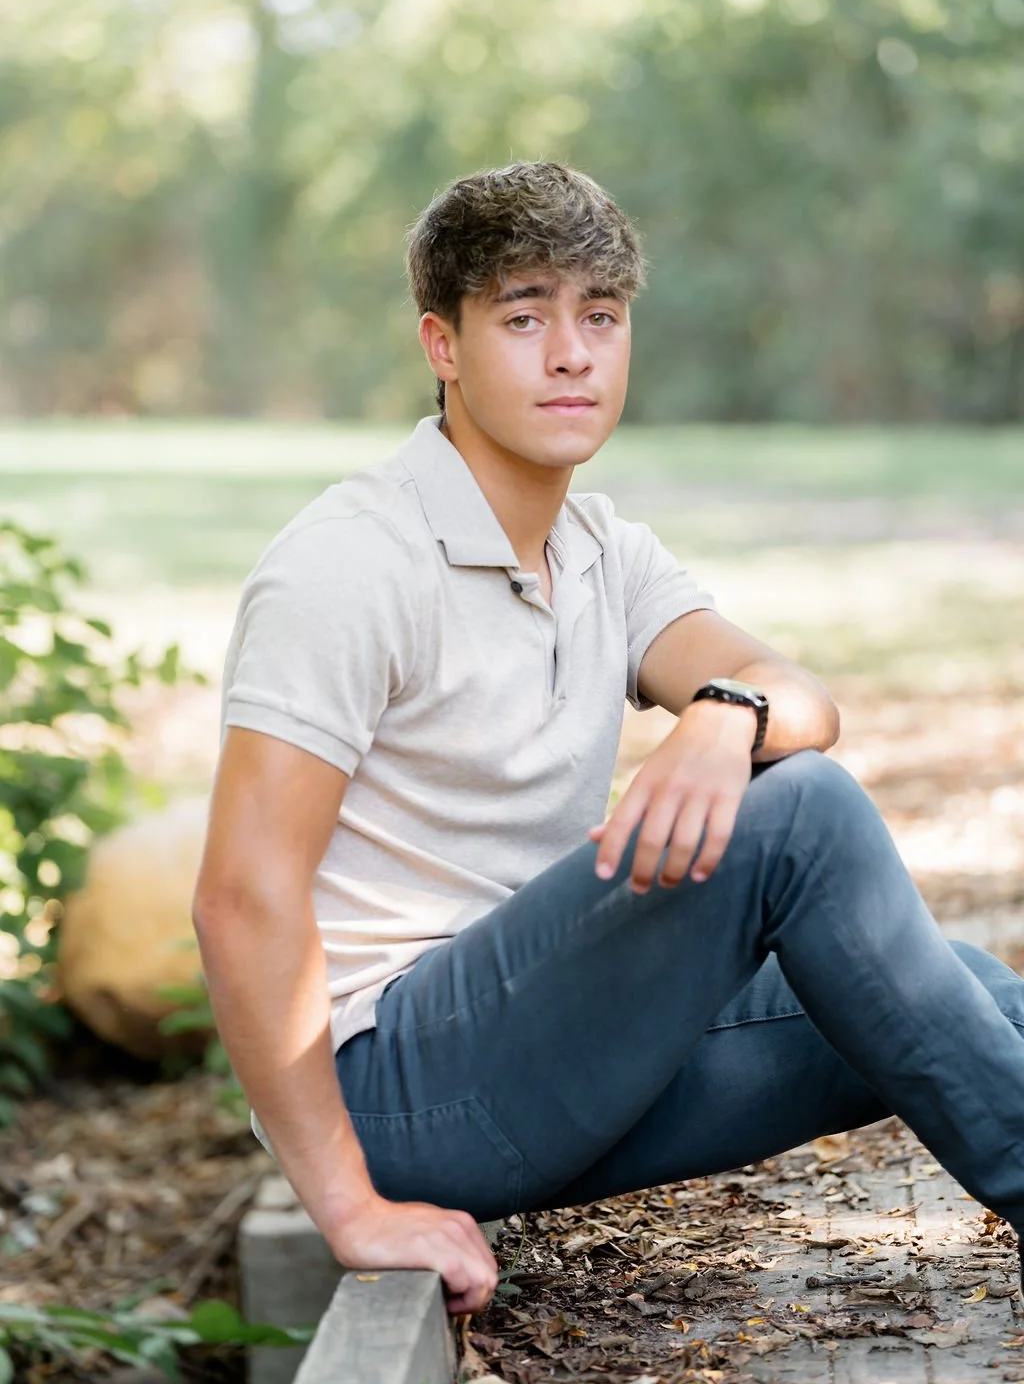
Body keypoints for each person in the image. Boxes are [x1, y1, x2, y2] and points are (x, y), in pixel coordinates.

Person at [194, 161, 1024, 1319]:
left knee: (975, 998)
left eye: (600, 316)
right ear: (443, 345)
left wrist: (723, 717)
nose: (571, 353)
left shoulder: (599, 548)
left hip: (540, 1049)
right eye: (524, 317)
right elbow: (242, 896)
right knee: (807, 813)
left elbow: (797, 695)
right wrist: (346, 1203)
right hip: (392, 1090)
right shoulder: (349, 562)